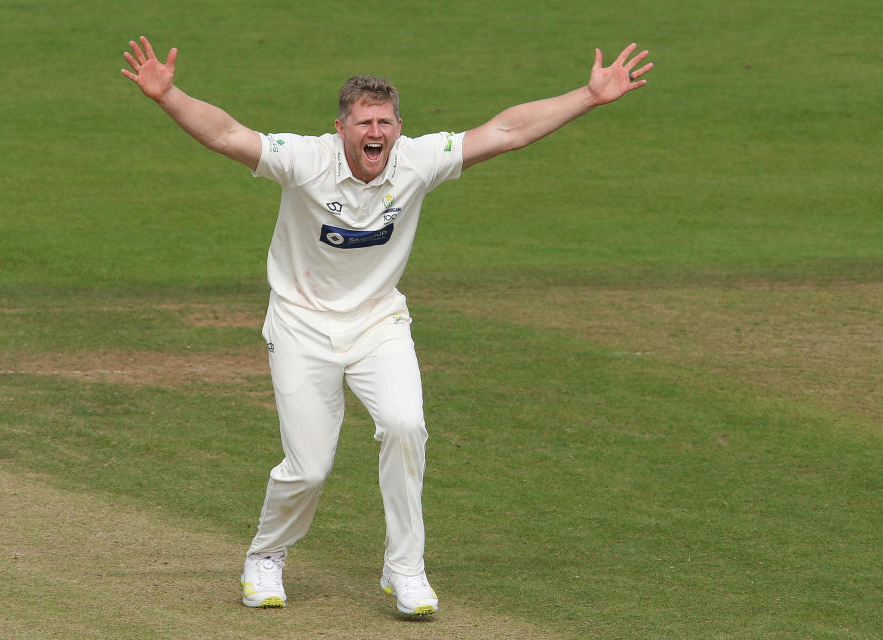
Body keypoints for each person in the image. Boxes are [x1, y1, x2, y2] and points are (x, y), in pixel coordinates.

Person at [121, 36, 652, 616]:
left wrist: (588, 96)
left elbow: (507, 131)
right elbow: (227, 134)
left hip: (379, 322)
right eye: (364, 122)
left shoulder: (416, 161)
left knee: (405, 425)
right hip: (301, 325)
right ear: (341, 128)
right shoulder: (304, 159)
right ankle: (266, 557)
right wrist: (168, 96)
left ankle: (405, 570)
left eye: (385, 122)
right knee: (310, 466)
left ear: (399, 127)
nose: (375, 132)